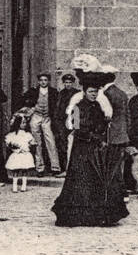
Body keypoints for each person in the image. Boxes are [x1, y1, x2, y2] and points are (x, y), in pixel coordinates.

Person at [52, 56, 129, 227]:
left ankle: (96, 215)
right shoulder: (78, 107)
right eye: (90, 92)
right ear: (85, 92)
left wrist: (101, 137)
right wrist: (92, 137)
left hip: (96, 150)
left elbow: (104, 124)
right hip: (82, 150)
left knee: (96, 182)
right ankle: (79, 215)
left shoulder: (98, 106)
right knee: (81, 181)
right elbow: (76, 128)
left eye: (95, 92)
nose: (93, 95)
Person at [23, 73, 63, 176]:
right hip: (36, 116)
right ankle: (39, 168)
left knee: (51, 141)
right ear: (38, 81)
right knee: (37, 142)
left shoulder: (53, 92)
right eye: (41, 80)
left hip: (47, 118)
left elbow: (57, 105)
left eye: (45, 80)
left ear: (48, 81)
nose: (43, 82)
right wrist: (30, 108)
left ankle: (55, 167)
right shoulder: (33, 91)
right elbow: (24, 99)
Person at [101, 72, 130, 194]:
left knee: (112, 165)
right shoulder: (121, 92)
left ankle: (117, 191)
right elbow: (127, 115)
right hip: (122, 133)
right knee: (118, 164)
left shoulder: (107, 94)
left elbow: (106, 116)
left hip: (111, 133)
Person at [5, 111, 36, 192]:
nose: (24, 124)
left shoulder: (27, 134)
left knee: (24, 170)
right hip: (17, 154)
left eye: (25, 123)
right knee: (16, 170)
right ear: (18, 123)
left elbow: (32, 142)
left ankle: (24, 186)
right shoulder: (12, 135)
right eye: (22, 123)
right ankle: (15, 186)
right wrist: (14, 146)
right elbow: (9, 144)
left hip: (25, 154)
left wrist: (32, 144)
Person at [55, 72, 79, 171]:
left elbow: (78, 109)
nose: (67, 84)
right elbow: (57, 108)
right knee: (62, 145)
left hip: (72, 122)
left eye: (69, 82)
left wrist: (76, 124)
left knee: (73, 145)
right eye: (66, 82)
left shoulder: (77, 93)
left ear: (73, 83)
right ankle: (64, 168)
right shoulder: (61, 93)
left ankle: (72, 168)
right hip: (62, 122)